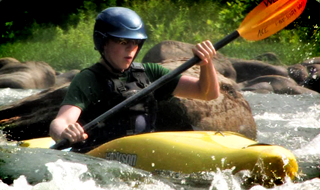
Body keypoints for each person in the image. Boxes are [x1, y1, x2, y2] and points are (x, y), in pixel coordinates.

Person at [49, 7, 220, 153]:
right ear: (104, 42)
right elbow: (60, 122)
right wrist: (65, 132)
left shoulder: (150, 73)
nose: (131, 48)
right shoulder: (88, 79)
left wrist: (206, 62)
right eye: (123, 42)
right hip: (100, 156)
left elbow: (207, 93)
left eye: (136, 42)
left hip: (143, 153)